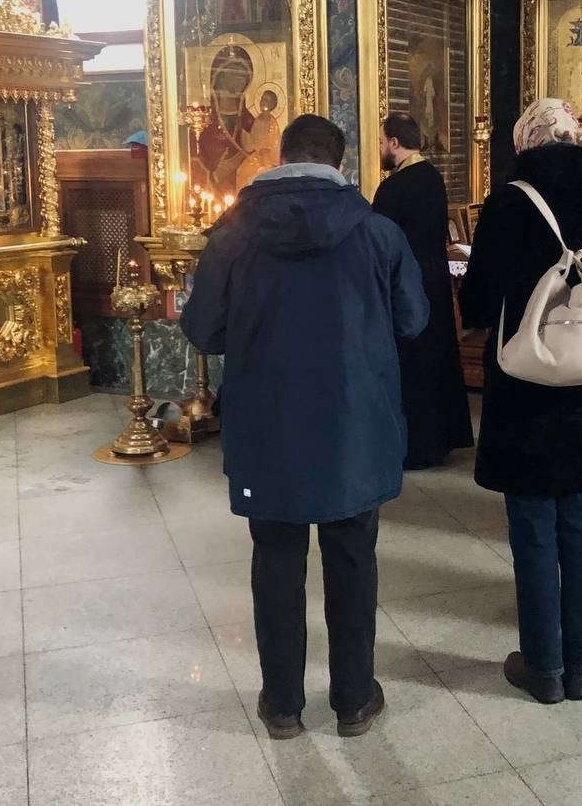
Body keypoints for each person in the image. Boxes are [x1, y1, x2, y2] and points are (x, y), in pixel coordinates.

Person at [181, 115, 429, 740]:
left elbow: (202, 329)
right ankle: (354, 700)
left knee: (275, 558)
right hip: (355, 423)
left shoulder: (233, 234)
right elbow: (414, 319)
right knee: (353, 556)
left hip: (268, 424)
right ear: (339, 163)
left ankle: (283, 705)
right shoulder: (377, 232)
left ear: (281, 158)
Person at [459, 97, 582, 704]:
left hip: (522, 391)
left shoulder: (508, 202)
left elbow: (477, 301)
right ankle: (581, 664)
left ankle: (543, 666)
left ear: (526, 143)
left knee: (534, 528)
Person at [373, 114, 474, 469]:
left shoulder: (394, 187)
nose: (380, 148)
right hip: (435, 279)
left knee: (412, 363)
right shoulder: (432, 177)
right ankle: (441, 438)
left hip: (405, 284)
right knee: (437, 357)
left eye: (381, 142)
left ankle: (414, 446)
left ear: (395, 143)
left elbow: (379, 240)